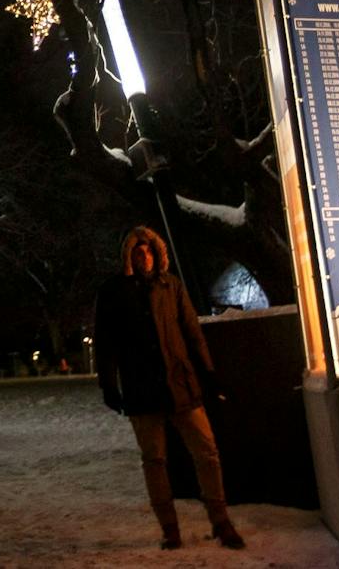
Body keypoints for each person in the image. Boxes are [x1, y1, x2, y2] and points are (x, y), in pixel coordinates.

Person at [95, 226, 246, 551]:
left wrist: (208, 374)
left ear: (156, 253)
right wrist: (108, 385)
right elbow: (105, 344)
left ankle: (221, 521)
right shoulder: (113, 291)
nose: (143, 256)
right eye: (137, 251)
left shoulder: (171, 286)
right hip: (141, 389)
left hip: (180, 384)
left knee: (207, 452)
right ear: (128, 256)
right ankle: (170, 530)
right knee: (155, 460)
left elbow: (192, 332)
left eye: (148, 251)